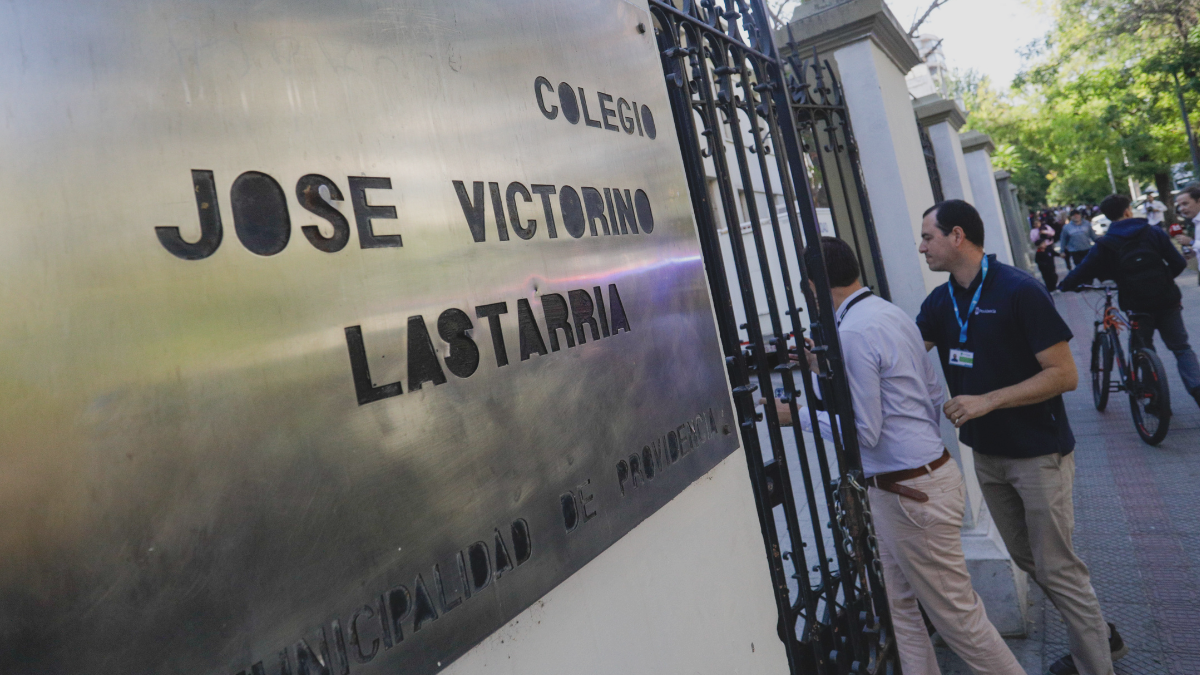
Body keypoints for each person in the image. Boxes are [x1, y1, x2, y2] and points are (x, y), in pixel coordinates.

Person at [770, 236, 1025, 675]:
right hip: (915, 482)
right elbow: (931, 393)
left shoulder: (852, 332)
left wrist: (797, 416)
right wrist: (817, 370)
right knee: (900, 605)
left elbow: (864, 432)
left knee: (958, 620)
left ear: (814, 286)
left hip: (909, 493)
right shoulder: (890, 313)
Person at [917, 200, 1126, 675]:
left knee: (1057, 568)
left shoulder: (1019, 289)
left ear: (957, 236)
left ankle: (1095, 664)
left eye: (928, 237)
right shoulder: (940, 301)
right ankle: (1101, 635)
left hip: (1038, 454)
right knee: (1031, 560)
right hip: (987, 455)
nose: (922, 247)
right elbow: (903, 352)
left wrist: (987, 400)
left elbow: (1064, 374)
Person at [1060, 194, 1200, 409]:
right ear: (1127, 211)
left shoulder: (1105, 243)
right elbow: (1179, 263)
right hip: (1167, 300)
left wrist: (1064, 285)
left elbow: (1083, 270)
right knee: (1181, 348)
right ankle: (1197, 388)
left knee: (1142, 347)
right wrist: (1161, 281)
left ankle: (1155, 399)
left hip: (1136, 304)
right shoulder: (1153, 232)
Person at [1173, 183, 1200, 286]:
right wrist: (1194, 252)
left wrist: (1191, 242)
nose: (1182, 209)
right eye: (1179, 205)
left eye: (1185, 204)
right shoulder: (1196, 221)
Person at [1032, 219, 1059, 291]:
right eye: (1035, 224)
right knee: (1047, 277)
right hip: (1045, 269)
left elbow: (1052, 233)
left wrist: (1044, 232)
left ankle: (1054, 286)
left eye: (1037, 223)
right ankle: (1050, 288)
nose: (1036, 225)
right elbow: (1037, 260)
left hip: (1049, 246)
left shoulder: (1046, 227)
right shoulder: (1034, 231)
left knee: (1053, 275)